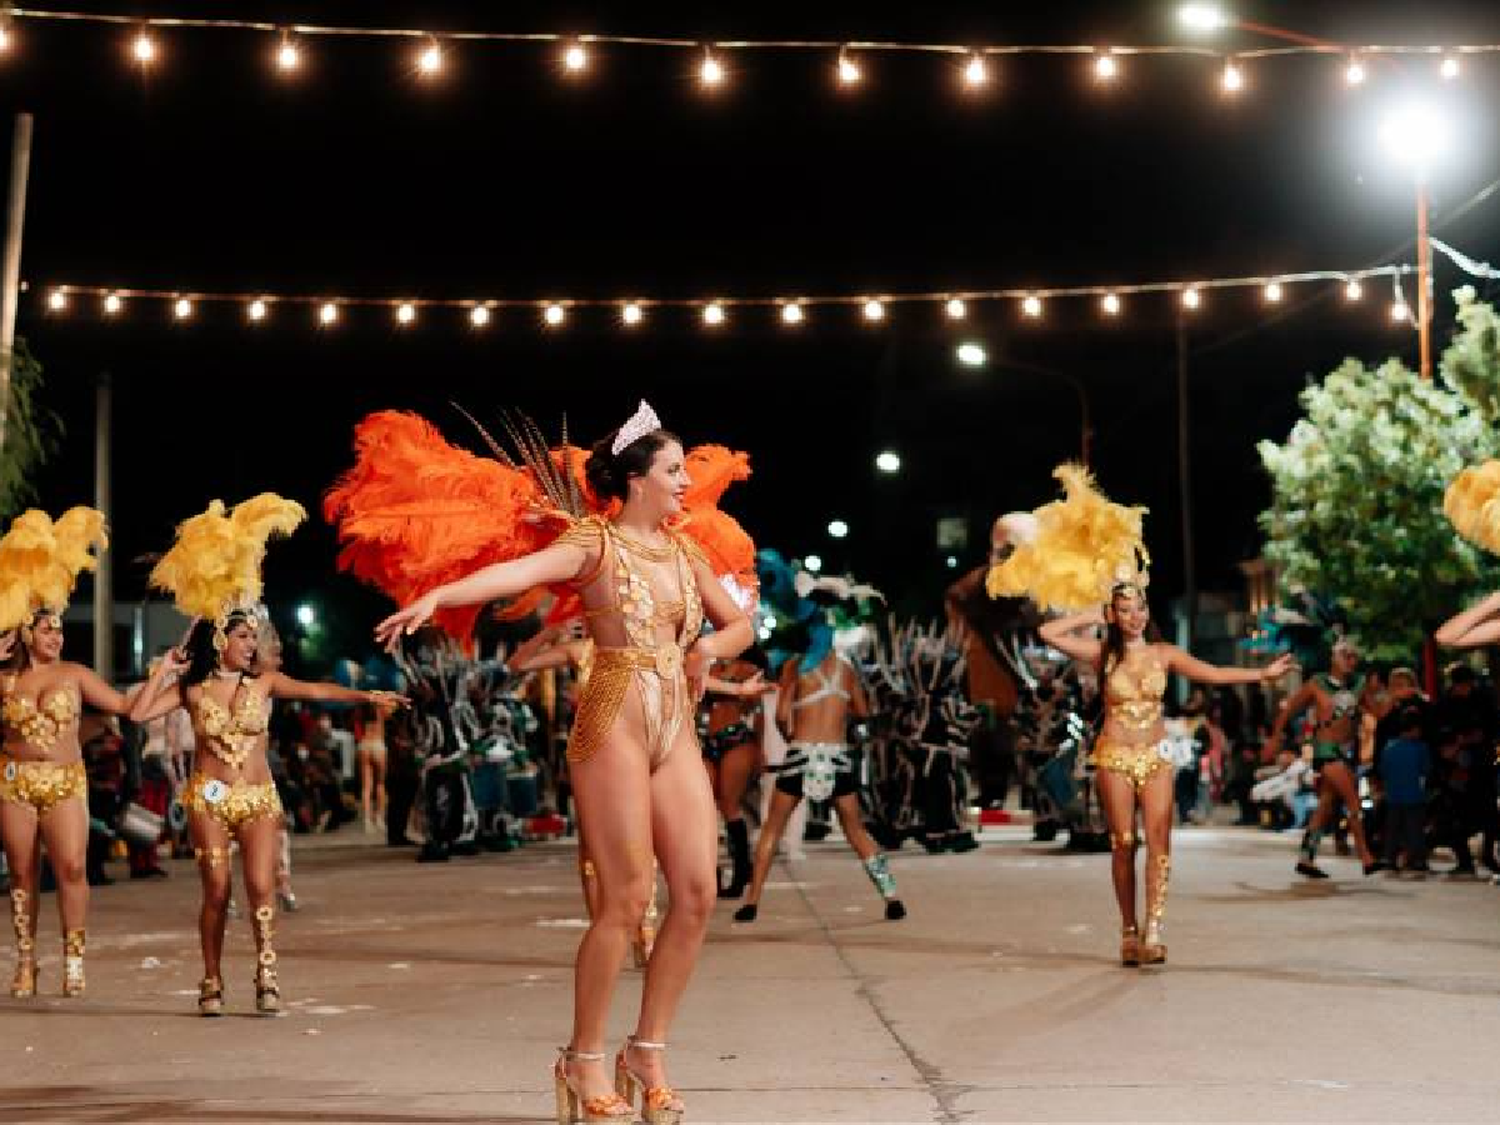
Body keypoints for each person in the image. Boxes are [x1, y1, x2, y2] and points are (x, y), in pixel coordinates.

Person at [329, 402, 756, 1124]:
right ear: (636, 479)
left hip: (673, 727)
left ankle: (646, 1049)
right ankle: (584, 1057)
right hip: (613, 720)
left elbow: (740, 623)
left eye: (686, 468)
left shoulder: (686, 553)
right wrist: (436, 595)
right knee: (624, 902)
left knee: (697, 892)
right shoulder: (592, 544)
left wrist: (707, 649)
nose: (687, 481)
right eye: (674, 470)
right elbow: (510, 575)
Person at [994, 465, 1293, 967]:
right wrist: (1092, 615)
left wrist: (1261, 677)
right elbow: (1048, 637)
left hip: (1155, 755)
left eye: (1139, 608)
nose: (1133, 616)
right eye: (1124, 609)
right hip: (1113, 755)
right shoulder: (1101, 655)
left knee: (1159, 843)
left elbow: (1215, 672)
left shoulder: (1164, 654)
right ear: (1115, 614)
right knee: (1122, 842)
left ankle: (1154, 929)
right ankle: (1128, 929)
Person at [131, 494, 406, 1016]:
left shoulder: (268, 683)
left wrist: (368, 696)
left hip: (257, 795)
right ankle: (211, 979)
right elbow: (140, 713)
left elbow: (319, 691)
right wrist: (165, 670)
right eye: (242, 636)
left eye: (253, 637)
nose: (250, 645)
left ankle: (267, 972)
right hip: (209, 799)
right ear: (220, 639)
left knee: (261, 887)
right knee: (216, 890)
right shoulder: (193, 690)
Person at [0, 506, 131, 998]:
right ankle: (27, 961)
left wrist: (165, 675)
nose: (56, 635)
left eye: (59, 628)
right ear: (25, 633)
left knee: (72, 867)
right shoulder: (5, 678)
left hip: (65, 781)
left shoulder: (75, 673)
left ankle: (73, 961)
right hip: (13, 780)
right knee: (21, 872)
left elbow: (123, 706)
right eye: (47, 628)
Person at [733, 638, 906, 923]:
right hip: (836, 757)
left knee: (772, 830)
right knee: (856, 832)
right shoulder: (846, 670)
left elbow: (781, 714)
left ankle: (751, 902)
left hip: (801, 754)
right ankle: (891, 897)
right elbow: (863, 712)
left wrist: (791, 734)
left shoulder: (796, 666)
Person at [1266, 638, 1385, 878]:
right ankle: (1366, 857)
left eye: (1354, 657)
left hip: (1347, 752)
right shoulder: (1316, 684)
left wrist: (1392, 695)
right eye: (1346, 656)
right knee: (1352, 800)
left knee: (1326, 806)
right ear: (1334, 658)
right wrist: (1275, 738)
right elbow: (1289, 709)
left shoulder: (1359, 685)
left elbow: (1378, 713)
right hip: (1326, 751)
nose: (1351, 661)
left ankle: (1306, 858)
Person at [1377, 705, 1430, 873]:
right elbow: (1426, 769)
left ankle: (1390, 858)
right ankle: (1417, 860)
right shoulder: (1420, 748)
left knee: (1393, 829)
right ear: (1414, 729)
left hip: (1393, 795)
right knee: (1414, 830)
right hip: (1414, 795)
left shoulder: (1388, 747)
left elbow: (1383, 770)